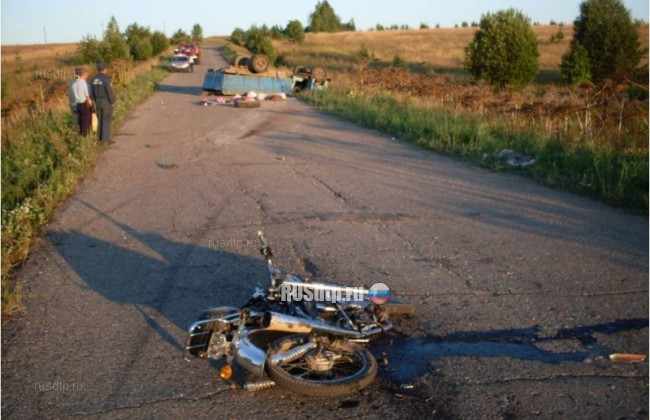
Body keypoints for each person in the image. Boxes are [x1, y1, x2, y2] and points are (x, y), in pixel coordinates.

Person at [90, 61, 116, 144]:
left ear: (98, 69)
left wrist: (94, 100)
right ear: (105, 69)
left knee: (100, 119)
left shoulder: (93, 79)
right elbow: (109, 91)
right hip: (106, 101)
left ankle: (100, 138)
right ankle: (105, 140)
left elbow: (91, 92)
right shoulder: (106, 79)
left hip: (97, 101)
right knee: (106, 120)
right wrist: (112, 101)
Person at [69, 68, 93, 136]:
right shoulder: (83, 83)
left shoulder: (74, 84)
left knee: (80, 120)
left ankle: (80, 133)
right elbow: (87, 95)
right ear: (82, 74)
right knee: (86, 120)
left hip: (78, 104)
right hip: (84, 103)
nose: (87, 76)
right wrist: (91, 104)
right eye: (86, 74)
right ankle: (85, 134)